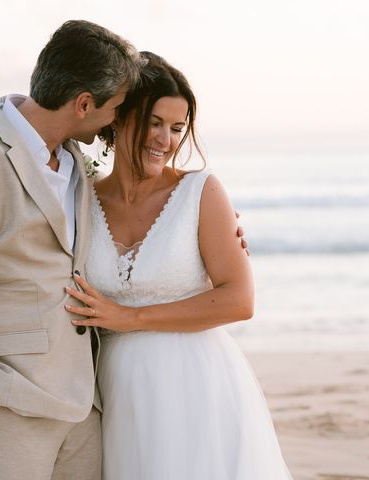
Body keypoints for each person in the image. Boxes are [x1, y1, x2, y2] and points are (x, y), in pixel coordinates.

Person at [0, 20, 141, 480]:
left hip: (82, 406)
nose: (116, 120)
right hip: (6, 409)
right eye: (115, 108)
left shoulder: (77, 160)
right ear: (83, 103)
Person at [65, 52, 292, 479]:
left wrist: (130, 318)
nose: (165, 140)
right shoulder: (80, 197)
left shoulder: (200, 191)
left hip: (196, 385)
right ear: (118, 117)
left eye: (176, 127)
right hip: (117, 392)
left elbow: (239, 301)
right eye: (154, 122)